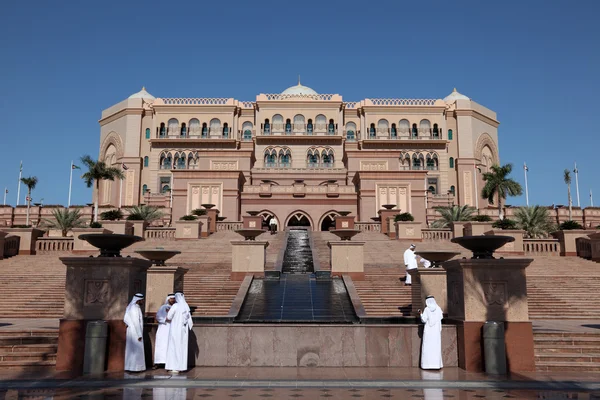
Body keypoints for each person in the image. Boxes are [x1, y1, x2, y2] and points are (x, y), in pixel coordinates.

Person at [165, 292, 193, 373]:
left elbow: (169, 317)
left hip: (175, 330)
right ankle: (181, 366)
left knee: (174, 347)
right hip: (183, 331)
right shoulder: (186, 306)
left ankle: (175, 367)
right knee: (182, 348)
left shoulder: (175, 306)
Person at [419, 296, 444, 370]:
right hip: (436, 333)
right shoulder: (438, 309)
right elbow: (440, 319)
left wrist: (420, 314)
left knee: (428, 348)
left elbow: (423, 320)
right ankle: (436, 365)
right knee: (436, 348)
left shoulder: (427, 309)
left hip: (429, 333)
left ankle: (427, 365)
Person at [124, 293, 146, 372]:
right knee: (136, 350)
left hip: (131, 331)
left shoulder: (130, 307)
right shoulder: (135, 308)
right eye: (142, 300)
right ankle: (135, 368)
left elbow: (125, 319)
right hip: (135, 332)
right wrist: (139, 334)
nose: (143, 301)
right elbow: (136, 322)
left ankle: (130, 367)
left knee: (131, 350)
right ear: (138, 300)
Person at [153, 293, 175, 369]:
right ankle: (158, 363)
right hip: (163, 329)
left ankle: (167, 362)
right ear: (168, 299)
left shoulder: (174, 307)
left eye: (174, 299)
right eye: (172, 298)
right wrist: (165, 319)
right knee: (161, 346)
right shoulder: (163, 307)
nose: (173, 300)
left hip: (171, 329)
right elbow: (158, 317)